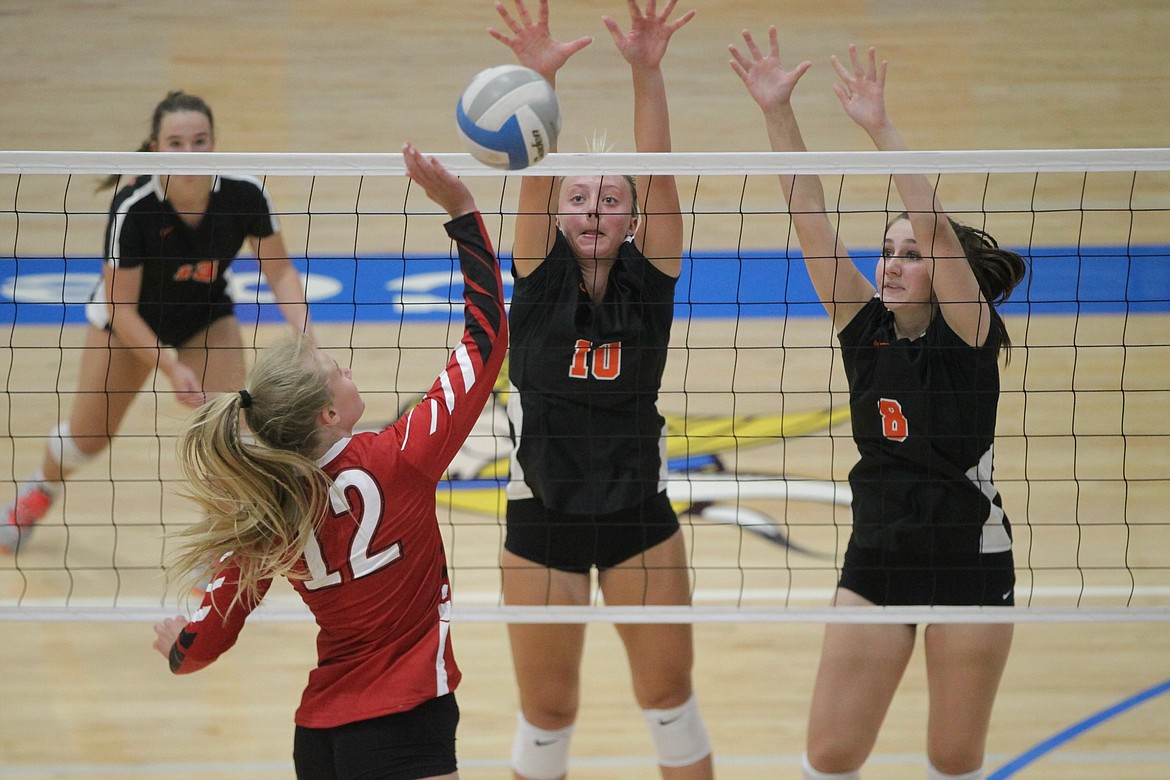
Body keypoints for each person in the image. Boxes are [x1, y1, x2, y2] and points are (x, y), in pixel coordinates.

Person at [151, 143, 508, 780]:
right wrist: (461, 210)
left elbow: (208, 635)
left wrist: (178, 649)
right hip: (405, 723)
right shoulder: (402, 457)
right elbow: (485, 338)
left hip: (319, 740)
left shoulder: (271, 509)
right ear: (327, 414)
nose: (346, 367)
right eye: (334, 371)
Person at [730, 28, 1027, 780]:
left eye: (911, 254)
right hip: (881, 555)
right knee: (831, 755)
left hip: (969, 559)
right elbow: (808, 216)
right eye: (887, 251)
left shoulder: (969, 332)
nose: (893, 263)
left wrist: (881, 130)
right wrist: (777, 112)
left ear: (943, 270)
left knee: (953, 758)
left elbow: (934, 228)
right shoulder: (864, 330)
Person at [489, 2, 714, 779]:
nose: (592, 209)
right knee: (547, 713)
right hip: (540, 517)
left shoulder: (651, 283)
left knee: (669, 695)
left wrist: (645, 70)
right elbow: (529, 170)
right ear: (556, 214)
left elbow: (659, 174)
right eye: (578, 197)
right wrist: (537, 80)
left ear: (629, 218)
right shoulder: (533, 275)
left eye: (610, 199)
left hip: (637, 520)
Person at [1, 90, 313, 554]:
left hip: (205, 318)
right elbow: (121, 310)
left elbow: (281, 271)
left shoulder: (245, 193)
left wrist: (307, 340)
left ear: (215, 143)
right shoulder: (135, 208)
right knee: (85, 440)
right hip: (127, 326)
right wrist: (170, 366)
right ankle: (40, 487)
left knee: (227, 438)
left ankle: (220, 554)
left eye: (200, 141)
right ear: (154, 147)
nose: (190, 153)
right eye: (176, 143)